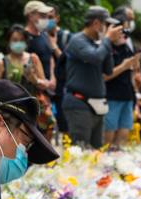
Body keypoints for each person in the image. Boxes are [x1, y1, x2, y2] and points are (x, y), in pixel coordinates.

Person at [62, 6, 123, 147]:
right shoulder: (77, 40)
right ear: (96, 24)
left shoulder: (99, 44)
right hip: (79, 103)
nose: (109, 29)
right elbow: (94, 57)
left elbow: (108, 70)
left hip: (97, 104)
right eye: (106, 25)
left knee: (96, 152)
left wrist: (107, 43)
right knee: (80, 151)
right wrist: (107, 40)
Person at [0, 24, 55, 139]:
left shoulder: (33, 59)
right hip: (11, 110)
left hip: (33, 109)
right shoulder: (2, 62)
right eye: (15, 40)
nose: (18, 43)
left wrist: (34, 79)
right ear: (8, 41)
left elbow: (44, 85)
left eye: (22, 40)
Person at [104, 11, 138, 146]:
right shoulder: (106, 49)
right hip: (111, 96)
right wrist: (123, 67)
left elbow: (132, 72)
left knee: (125, 132)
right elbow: (104, 77)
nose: (124, 33)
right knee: (109, 135)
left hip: (127, 96)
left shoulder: (126, 48)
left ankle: (119, 161)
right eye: (121, 30)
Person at [47, 3, 72, 134]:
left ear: (57, 18)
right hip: (44, 87)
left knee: (64, 125)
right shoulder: (38, 37)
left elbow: (70, 61)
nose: (48, 20)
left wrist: (54, 46)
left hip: (63, 87)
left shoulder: (67, 37)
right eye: (45, 17)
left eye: (50, 16)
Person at [24, 1, 56, 92]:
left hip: (49, 88)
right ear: (30, 16)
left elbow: (50, 57)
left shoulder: (44, 35)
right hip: (33, 89)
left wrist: (53, 79)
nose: (46, 19)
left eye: (46, 16)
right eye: (42, 15)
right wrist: (39, 81)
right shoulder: (23, 38)